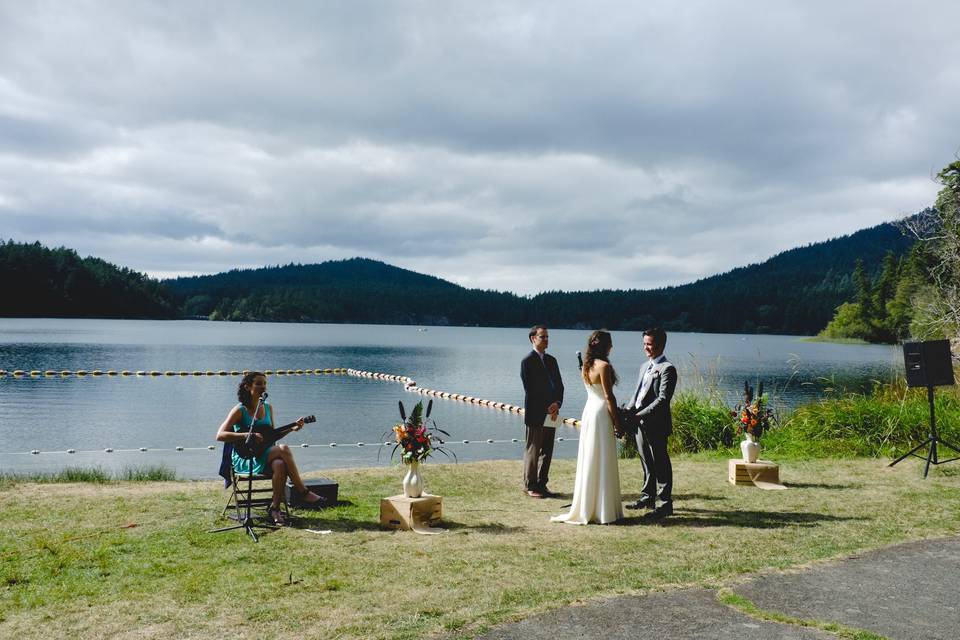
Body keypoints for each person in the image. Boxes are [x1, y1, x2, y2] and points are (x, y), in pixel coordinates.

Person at [216, 371, 322, 525]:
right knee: (283, 449)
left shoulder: (268, 408)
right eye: (259, 383)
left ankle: (275, 509)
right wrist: (247, 435)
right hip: (245, 457)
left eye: (265, 383)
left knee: (279, 464)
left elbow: (271, 436)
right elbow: (220, 435)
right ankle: (303, 492)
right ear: (247, 386)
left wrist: (291, 429)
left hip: (263, 453)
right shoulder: (240, 410)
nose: (263, 387)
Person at [552, 330, 624, 524]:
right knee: (603, 456)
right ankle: (603, 509)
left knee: (591, 456)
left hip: (589, 411)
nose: (611, 347)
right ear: (604, 346)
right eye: (610, 343)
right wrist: (618, 423)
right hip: (600, 413)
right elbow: (609, 397)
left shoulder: (586, 365)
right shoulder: (604, 366)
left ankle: (590, 505)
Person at [625, 328, 678, 518]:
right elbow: (637, 394)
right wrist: (628, 411)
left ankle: (665, 503)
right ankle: (648, 496)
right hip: (639, 423)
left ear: (661, 345)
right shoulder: (643, 367)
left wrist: (640, 415)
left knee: (660, 462)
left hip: (656, 424)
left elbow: (663, 400)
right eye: (644, 344)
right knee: (646, 461)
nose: (646, 348)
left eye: (649, 344)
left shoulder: (667, 369)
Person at [520, 324, 564, 498]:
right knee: (533, 449)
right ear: (533, 338)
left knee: (547, 450)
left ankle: (542, 484)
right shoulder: (527, 361)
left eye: (547, 337)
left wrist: (557, 403)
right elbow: (530, 389)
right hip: (536, 412)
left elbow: (559, 384)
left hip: (553, 412)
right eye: (542, 337)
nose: (546, 340)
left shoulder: (552, 360)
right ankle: (530, 485)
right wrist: (548, 405)